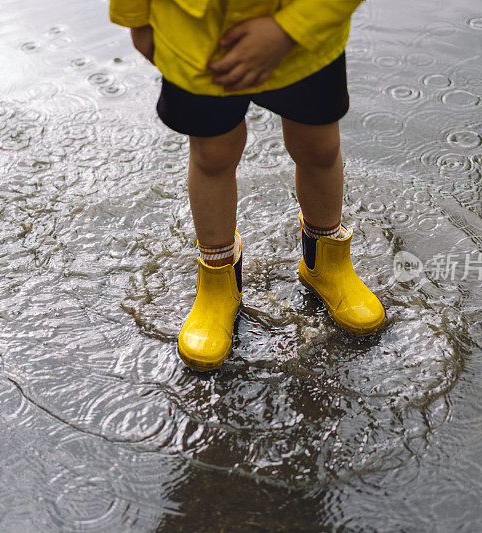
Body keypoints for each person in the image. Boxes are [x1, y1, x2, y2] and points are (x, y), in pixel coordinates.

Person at [110, 0, 385, 371]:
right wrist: (134, 17)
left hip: (305, 32)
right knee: (213, 155)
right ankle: (217, 279)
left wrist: (292, 27)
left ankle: (327, 263)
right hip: (195, 33)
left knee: (319, 148)